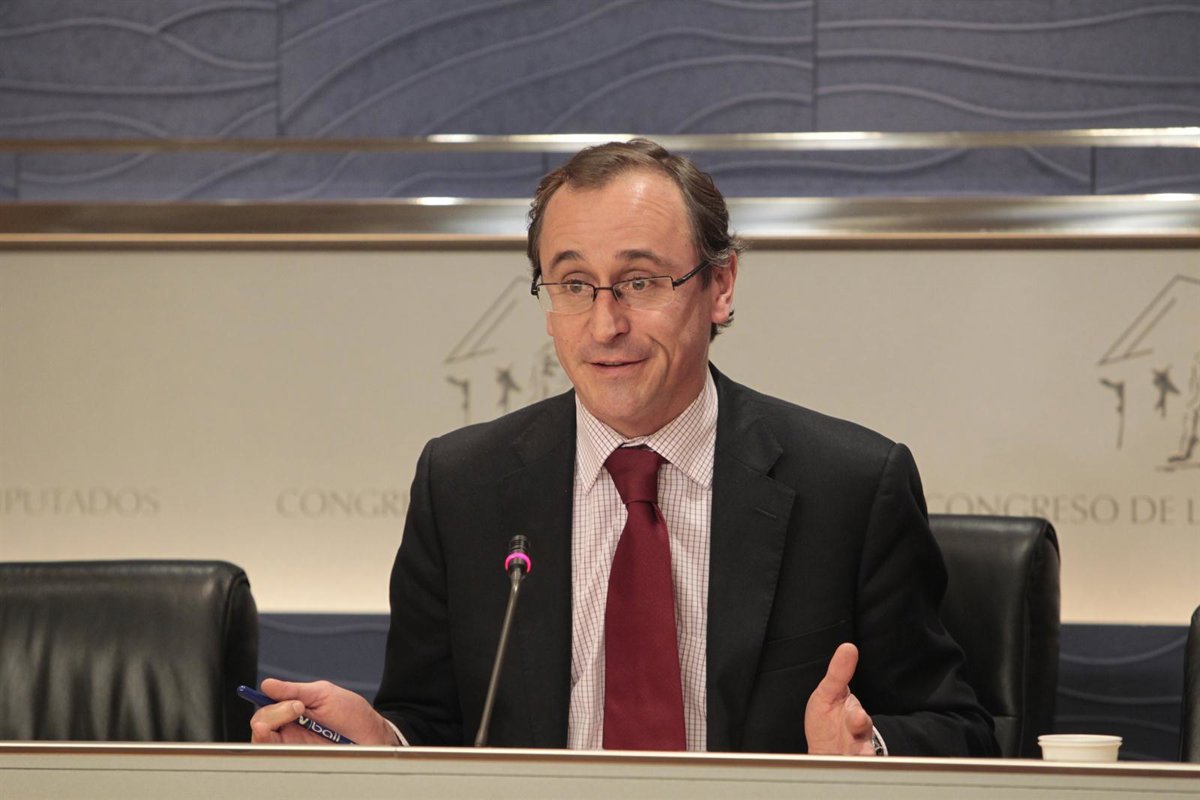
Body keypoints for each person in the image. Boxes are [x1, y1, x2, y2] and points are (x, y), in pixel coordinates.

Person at [251, 139, 998, 757]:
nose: (605, 325)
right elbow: (437, 724)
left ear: (721, 286)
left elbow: (958, 729)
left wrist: (870, 751)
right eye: (574, 284)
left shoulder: (851, 486)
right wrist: (381, 743)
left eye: (639, 282)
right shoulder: (462, 486)